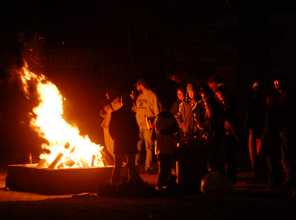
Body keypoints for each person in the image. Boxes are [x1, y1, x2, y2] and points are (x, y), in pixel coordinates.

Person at [109, 95, 140, 185]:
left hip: (120, 142)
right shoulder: (130, 115)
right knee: (131, 164)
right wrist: (135, 138)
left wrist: (115, 138)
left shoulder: (116, 114)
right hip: (128, 142)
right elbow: (135, 128)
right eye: (130, 103)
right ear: (127, 104)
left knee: (118, 164)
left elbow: (111, 130)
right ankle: (131, 181)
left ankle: (114, 181)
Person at [132, 79, 161, 174]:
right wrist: (132, 101)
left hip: (148, 126)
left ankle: (148, 166)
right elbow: (136, 110)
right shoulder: (139, 97)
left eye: (137, 86)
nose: (136, 88)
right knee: (137, 147)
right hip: (139, 126)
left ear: (141, 85)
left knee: (149, 147)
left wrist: (153, 122)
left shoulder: (152, 96)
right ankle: (135, 166)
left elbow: (157, 113)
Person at [274, 74, 296, 188]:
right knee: (286, 153)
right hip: (285, 128)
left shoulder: (287, 95)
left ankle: (290, 177)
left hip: (287, 128)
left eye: (278, 82)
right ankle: (289, 175)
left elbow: (287, 113)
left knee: (287, 153)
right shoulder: (282, 95)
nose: (275, 84)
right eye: (274, 82)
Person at [215, 84, 238, 184]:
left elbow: (226, 116)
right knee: (226, 155)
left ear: (224, 94)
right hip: (225, 133)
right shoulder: (224, 103)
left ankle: (230, 178)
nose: (218, 97)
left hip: (230, 133)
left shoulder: (230, 103)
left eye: (219, 94)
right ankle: (228, 177)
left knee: (229, 155)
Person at [154, 100, 179, 190]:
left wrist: (171, 129)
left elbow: (176, 127)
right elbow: (163, 131)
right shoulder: (159, 118)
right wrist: (171, 129)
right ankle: (159, 184)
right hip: (162, 146)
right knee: (163, 167)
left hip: (170, 145)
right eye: (167, 107)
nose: (169, 109)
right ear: (163, 108)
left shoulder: (171, 117)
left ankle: (167, 183)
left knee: (169, 167)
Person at [245, 82, 266, 183]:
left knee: (255, 155)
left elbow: (250, 117)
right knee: (261, 155)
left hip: (255, 131)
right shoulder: (265, 101)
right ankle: (263, 176)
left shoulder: (255, 101)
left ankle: (257, 176)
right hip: (261, 131)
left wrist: (249, 126)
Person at [262, 90, 282, 189]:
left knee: (270, 162)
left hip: (270, 137)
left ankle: (272, 183)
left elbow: (268, 124)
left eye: (267, 98)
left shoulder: (270, 110)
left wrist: (265, 134)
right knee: (275, 160)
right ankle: (277, 182)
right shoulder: (278, 109)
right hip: (276, 137)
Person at [100, 88, 122, 163]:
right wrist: (103, 111)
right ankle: (117, 162)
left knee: (113, 146)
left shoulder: (118, 102)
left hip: (112, 127)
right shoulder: (111, 102)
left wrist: (107, 107)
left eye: (107, 93)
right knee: (108, 147)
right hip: (106, 126)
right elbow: (107, 114)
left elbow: (114, 114)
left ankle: (118, 163)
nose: (106, 95)